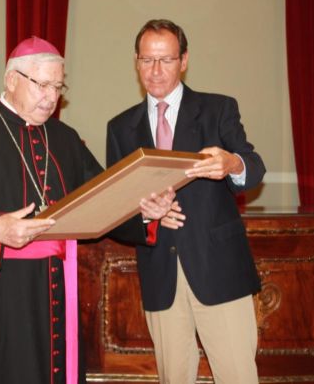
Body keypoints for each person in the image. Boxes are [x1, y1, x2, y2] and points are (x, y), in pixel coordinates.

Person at [0, 36, 174, 384]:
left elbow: (102, 202)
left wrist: (146, 214)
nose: (51, 97)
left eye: (58, 86)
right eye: (43, 85)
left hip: (53, 288)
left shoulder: (64, 139)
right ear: (12, 80)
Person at [106, 19, 266, 383]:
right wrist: (147, 218)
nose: (156, 71)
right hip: (161, 273)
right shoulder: (120, 128)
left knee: (238, 376)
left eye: (165, 59)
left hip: (218, 268)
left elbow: (254, 168)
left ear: (184, 60)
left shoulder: (218, 109)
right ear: (136, 62)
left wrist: (231, 163)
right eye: (147, 60)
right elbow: (117, 212)